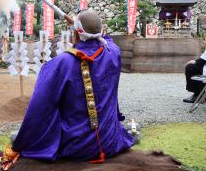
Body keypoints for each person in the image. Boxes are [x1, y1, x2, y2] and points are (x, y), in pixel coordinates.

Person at [12, 10, 134, 162]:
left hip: (78, 146)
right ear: (101, 31)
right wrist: (79, 27)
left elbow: (39, 107)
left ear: (75, 33)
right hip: (110, 141)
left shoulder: (61, 63)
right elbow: (106, 39)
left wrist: (25, 141)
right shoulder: (113, 53)